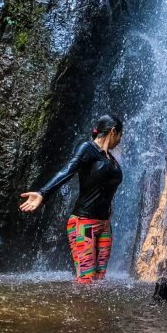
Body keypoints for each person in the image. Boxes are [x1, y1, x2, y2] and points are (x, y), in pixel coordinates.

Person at [19, 114, 123, 283]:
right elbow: (67, 170)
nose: (120, 139)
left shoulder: (110, 158)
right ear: (113, 131)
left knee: (100, 281)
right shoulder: (87, 148)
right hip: (83, 223)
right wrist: (43, 193)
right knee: (86, 279)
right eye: (119, 135)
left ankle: (93, 310)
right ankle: (80, 309)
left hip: (104, 226)